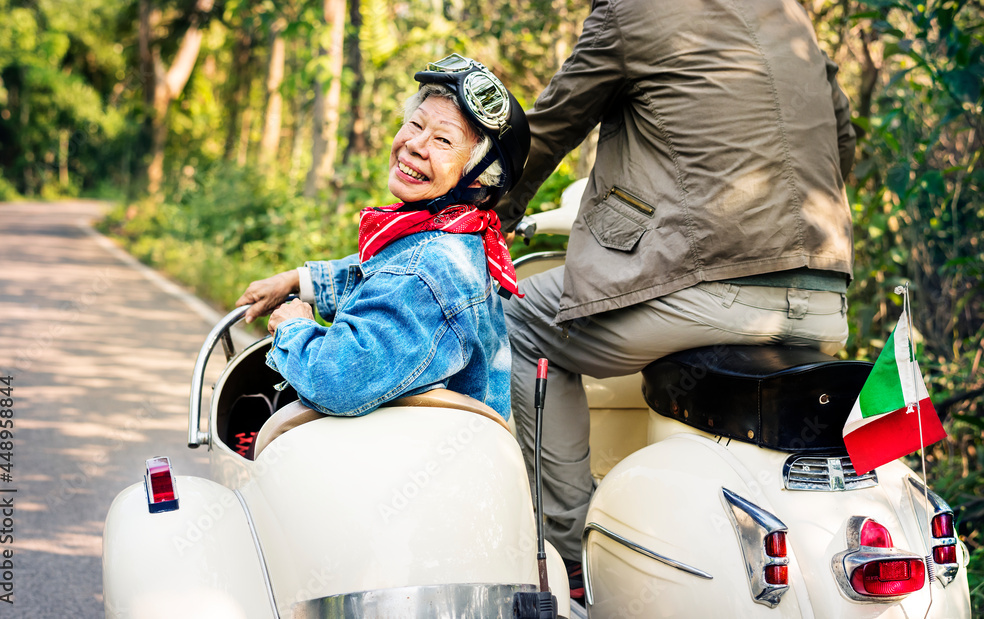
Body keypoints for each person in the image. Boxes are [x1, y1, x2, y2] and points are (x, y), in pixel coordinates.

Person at [494, 0, 857, 598]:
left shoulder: (628, 13)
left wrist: (488, 217)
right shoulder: (788, 12)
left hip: (709, 284)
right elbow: (840, 142)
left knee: (519, 319)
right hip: (824, 294)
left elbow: (549, 130)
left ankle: (566, 560)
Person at [236, 54, 530, 420]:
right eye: (415, 124)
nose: (415, 145)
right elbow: (386, 277)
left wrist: (295, 326)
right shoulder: (460, 237)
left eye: (442, 140)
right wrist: (298, 280)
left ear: (477, 177)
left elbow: (333, 380)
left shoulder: (427, 271)